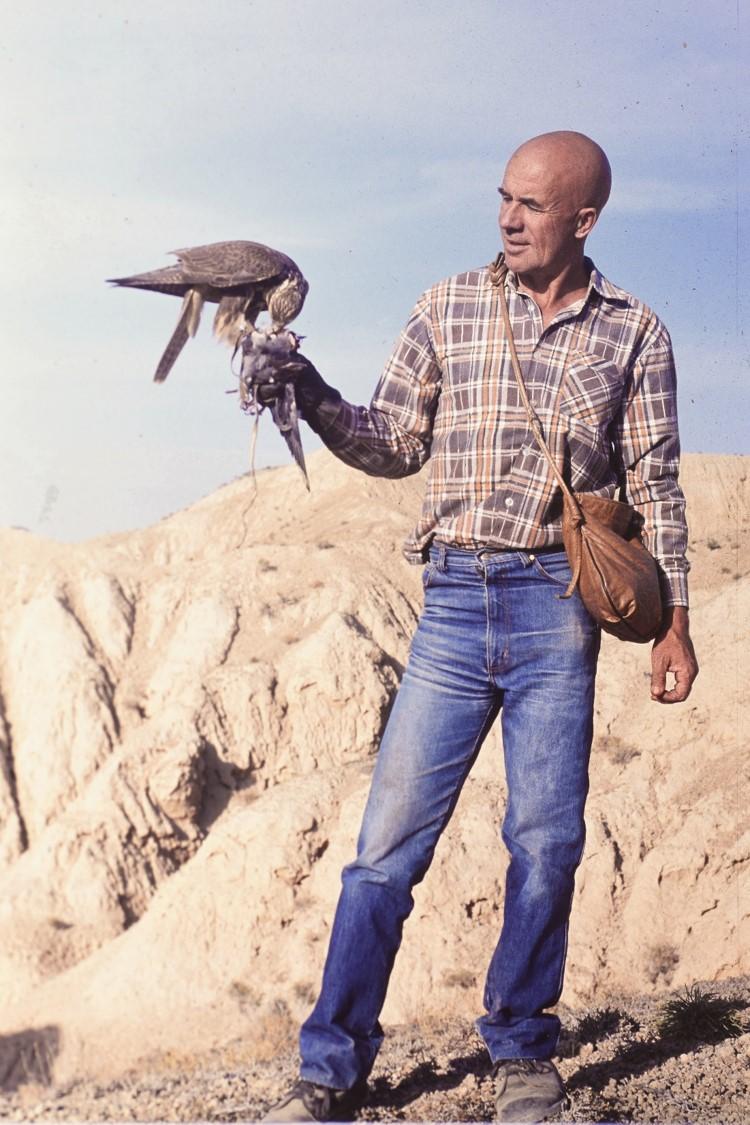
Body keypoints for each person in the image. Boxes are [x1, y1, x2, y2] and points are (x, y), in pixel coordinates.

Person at [262, 130, 699, 1123]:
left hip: (557, 609)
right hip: (453, 604)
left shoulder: (635, 332)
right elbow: (392, 442)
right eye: (504, 198)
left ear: (583, 219)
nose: (508, 218)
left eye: (532, 206)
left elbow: (658, 488)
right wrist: (312, 392)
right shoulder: (447, 306)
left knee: (546, 844)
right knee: (385, 852)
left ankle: (523, 1052)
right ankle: (330, 1069)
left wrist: (676, 623)